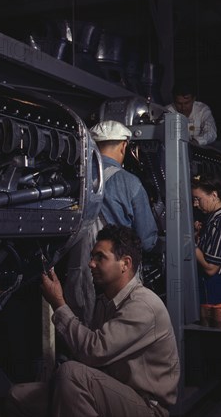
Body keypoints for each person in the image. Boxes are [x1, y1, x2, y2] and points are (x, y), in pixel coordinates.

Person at [5, 224, 180, 417]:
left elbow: (93, 351)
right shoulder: (105, 301)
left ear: (125, 264)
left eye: (100, 257)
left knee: (71, 374)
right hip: (111, 392)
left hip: (146, 407)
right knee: (17, 395)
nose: (91, 264)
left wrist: (59, 303)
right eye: (92, 256)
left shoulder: (143, 305)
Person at [63, 120, 159, 326]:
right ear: (124, 146)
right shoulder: (130, 182)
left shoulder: (73, 180)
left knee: (81, 335)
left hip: (80, 272)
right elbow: (147, 240)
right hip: (119, 278)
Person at [191, 173, 221, 314]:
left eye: (197, 199)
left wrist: (189, 244)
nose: (195, 204)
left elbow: (211, 269)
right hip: (213, 287)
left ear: (214, 195)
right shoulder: (214, 221)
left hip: (218, 290)